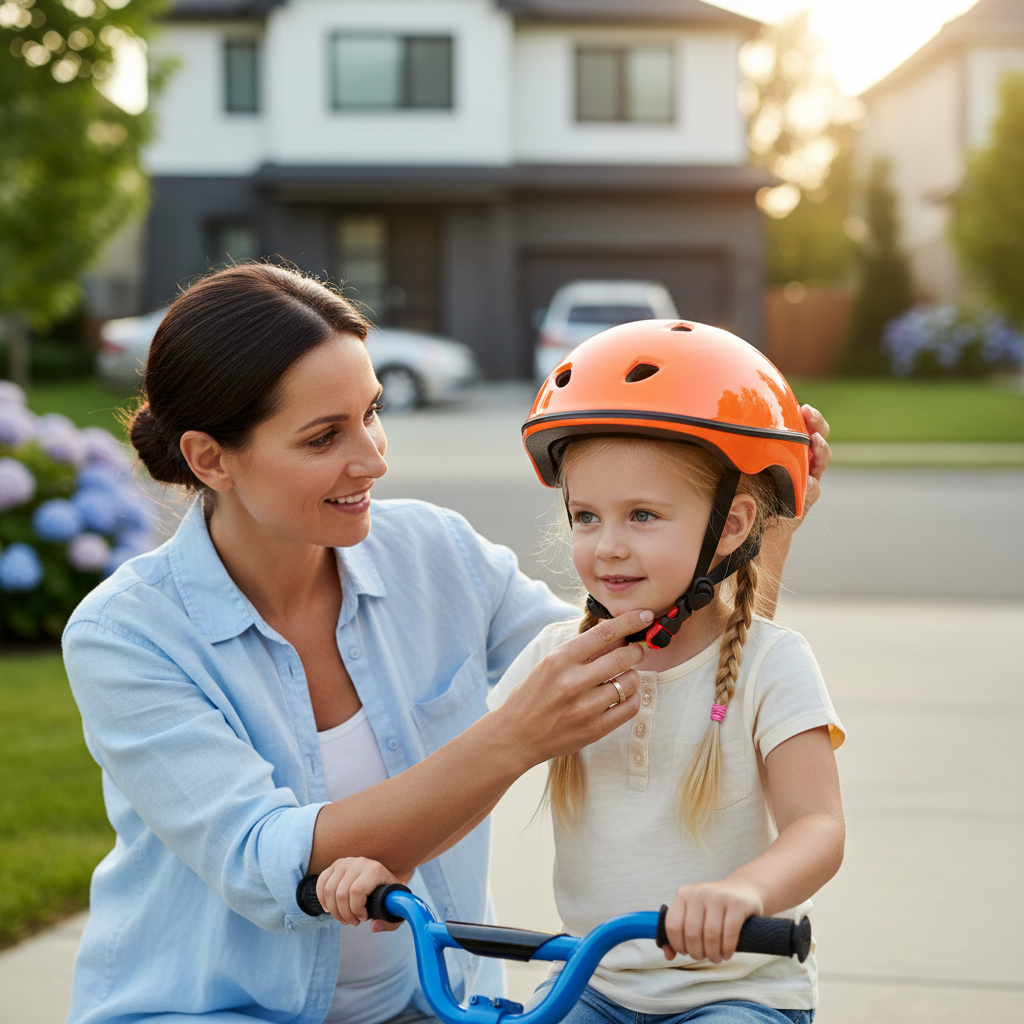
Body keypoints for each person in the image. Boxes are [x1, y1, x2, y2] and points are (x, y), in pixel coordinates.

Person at [62, 266, 830, 1024]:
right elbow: (266, 865)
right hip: (212, 1011)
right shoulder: (127, 635)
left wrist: (749, 535)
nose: (373, 458)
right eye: (325, 436)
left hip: (424, 1002)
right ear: (209, 459)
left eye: (372, 412)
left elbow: (654, 657)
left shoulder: (435, 553)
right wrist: (513, 739)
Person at [485, 320, 846, 1023]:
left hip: (736, 994)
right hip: (593, 983)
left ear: (735, 526)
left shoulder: (773, 664)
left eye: (643, 515)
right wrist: (389, 861)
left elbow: (818, 827)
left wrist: (745, 892)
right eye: (585, 516)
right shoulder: (559, 660)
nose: (607, 546)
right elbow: (464, 774)